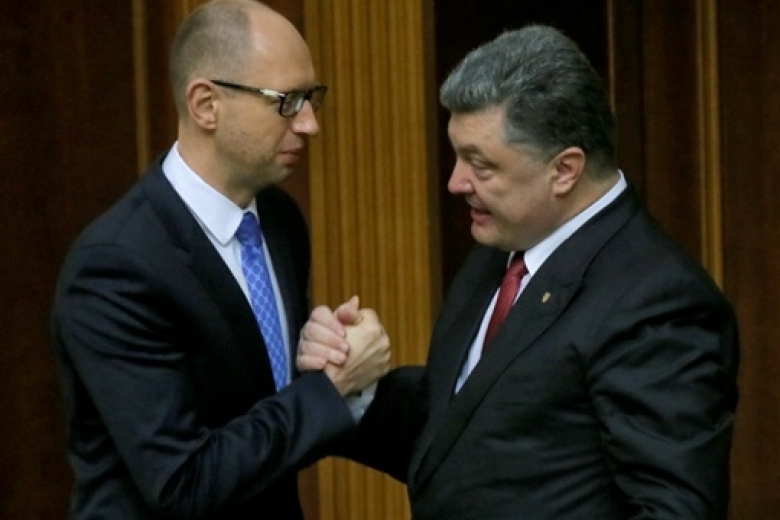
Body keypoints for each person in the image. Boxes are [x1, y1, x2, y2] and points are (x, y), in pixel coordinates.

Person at [299, 24, 740, 519]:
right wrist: (350, 383)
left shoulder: (657, 302)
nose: (455, 182)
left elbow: (674, 510)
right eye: (456, 156)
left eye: (481, 165)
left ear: (564, 170)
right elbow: (468, 428)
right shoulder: (503, 248)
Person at [50, 1, 389, 518]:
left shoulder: (279, 220)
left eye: (311, 98)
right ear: (206, 105)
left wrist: (325, 359)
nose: (310, 124)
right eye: (287, 102)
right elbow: (183, 484)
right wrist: (329, 389)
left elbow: (263, 408)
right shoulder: (115, 267)